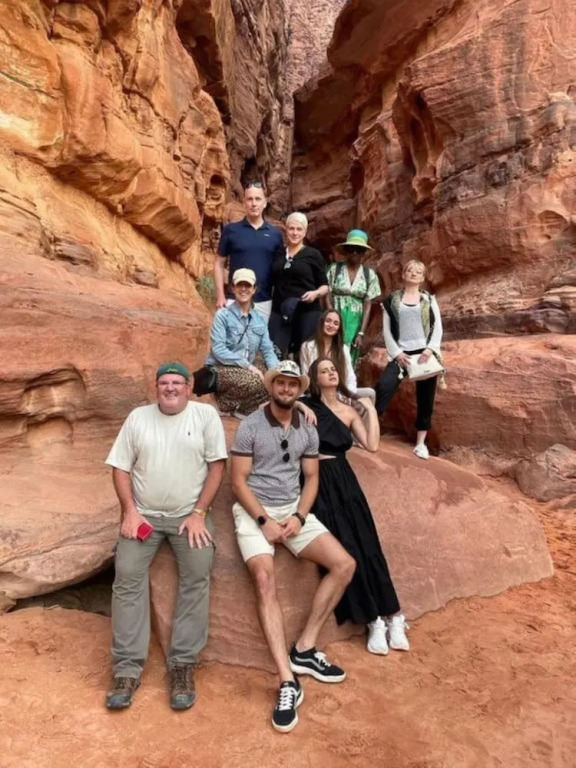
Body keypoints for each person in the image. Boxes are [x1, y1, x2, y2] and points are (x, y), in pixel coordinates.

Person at [230, 360, 355, 733]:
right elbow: (238, 481)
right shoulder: (251, 426)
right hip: (256, 512)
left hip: (292, 511)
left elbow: (312, 477)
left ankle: (304, 648)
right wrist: (264, 522)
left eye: (292, 385)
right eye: (280, 383)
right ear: (271, 386)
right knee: (264, 580)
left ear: (299, 389)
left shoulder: (307, 427)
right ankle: (287, 680)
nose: (285, 389)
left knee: (344, 565)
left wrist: (300, 516)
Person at [104, 362, 227, 711]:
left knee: (197, 572)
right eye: (163, 383)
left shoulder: (205, 416)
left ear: (189, 387)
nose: (170, 388)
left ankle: (182, 665)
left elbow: (217, 466)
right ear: (156, 387)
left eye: (177, 382)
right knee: (127, 573)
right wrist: (129, 512)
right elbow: (120, 468)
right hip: (144, 515)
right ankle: (127, 669)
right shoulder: (138, 418)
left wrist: (199, 512)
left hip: (188, 515)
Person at [304, 358, 409, 656]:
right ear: (314, 378)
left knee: (368, 544)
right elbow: (275, 404)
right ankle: (372, 619)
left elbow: (372, 445)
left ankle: (394, 615)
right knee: (344, 548)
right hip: (317, 481)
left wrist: (371, 410)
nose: (330, 373)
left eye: (332, 369)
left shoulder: (348, 411)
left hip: (344, 481)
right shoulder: (308, 406)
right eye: (324, 371)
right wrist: (299, 404)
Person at [375, 259, 443, 460]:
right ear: (403, 275)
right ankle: (369, 428)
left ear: (422, 278)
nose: (413, 274)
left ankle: (421, 444)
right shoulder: (392, 301)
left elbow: (438, 327)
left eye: (418, 272)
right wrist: (396, 353)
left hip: (424, 353)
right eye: (410, 270)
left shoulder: (429, 300)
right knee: (384, 387)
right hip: (401, 354)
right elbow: (387, 330)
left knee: (426, 397)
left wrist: (430, 349)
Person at [205, 268, 279, 417]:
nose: (244, 289)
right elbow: (218, 349)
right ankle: (224, 404)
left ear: (254, 289)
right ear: (233, 288)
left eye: (248, 285)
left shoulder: (259, 320)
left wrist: (277, 373)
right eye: (240, 285)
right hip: (220, 367)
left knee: (272, 381)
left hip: (246, 368)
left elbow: (268, 350)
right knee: (255, 380)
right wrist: (248, 366)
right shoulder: (222, 315)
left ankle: (243, 409)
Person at [214, 182, 283, 320]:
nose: (254, 203)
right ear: (244, 203)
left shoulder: (275, 234)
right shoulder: (231, 230)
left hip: (263, 302)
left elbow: (280, 271)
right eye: (250, 199)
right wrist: (220, 296)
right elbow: (219, 264)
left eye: (258, 199)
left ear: (265, 203)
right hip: (234, 299)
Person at [268, 212, 329, 359]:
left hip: (307, 311)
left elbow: (325, 286)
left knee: (305, 355)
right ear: (286, 230)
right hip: (280, 311)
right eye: (291, 228)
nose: (295, 233)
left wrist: (315, 294)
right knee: (275, 353)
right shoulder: (279, 254)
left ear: (305, 232)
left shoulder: (313, 255)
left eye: (299, 229)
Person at [327, 229, 381, 368]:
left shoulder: (369, 275)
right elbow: (326, 293)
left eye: (359, 250)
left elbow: (367, 304)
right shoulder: (334, 269)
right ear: (346, 251)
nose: (355, 253)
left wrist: (361, 332)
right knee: (331, 350)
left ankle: (346, 380)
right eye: (351, 249)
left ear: (364, 253)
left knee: (350, 354)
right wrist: (330, 313)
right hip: (335, 314)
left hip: (355, 320)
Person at [300, 309, 375, 402]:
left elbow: (350, 377)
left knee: (370, 393)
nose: (331, 325)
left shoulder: (343, 349)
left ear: (339, 328)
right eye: (328, 321)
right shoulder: (307, 347)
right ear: (322, 323)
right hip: (317, 393)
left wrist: (347, 396)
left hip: (341, 392)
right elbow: (306, 376)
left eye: (336, 323)